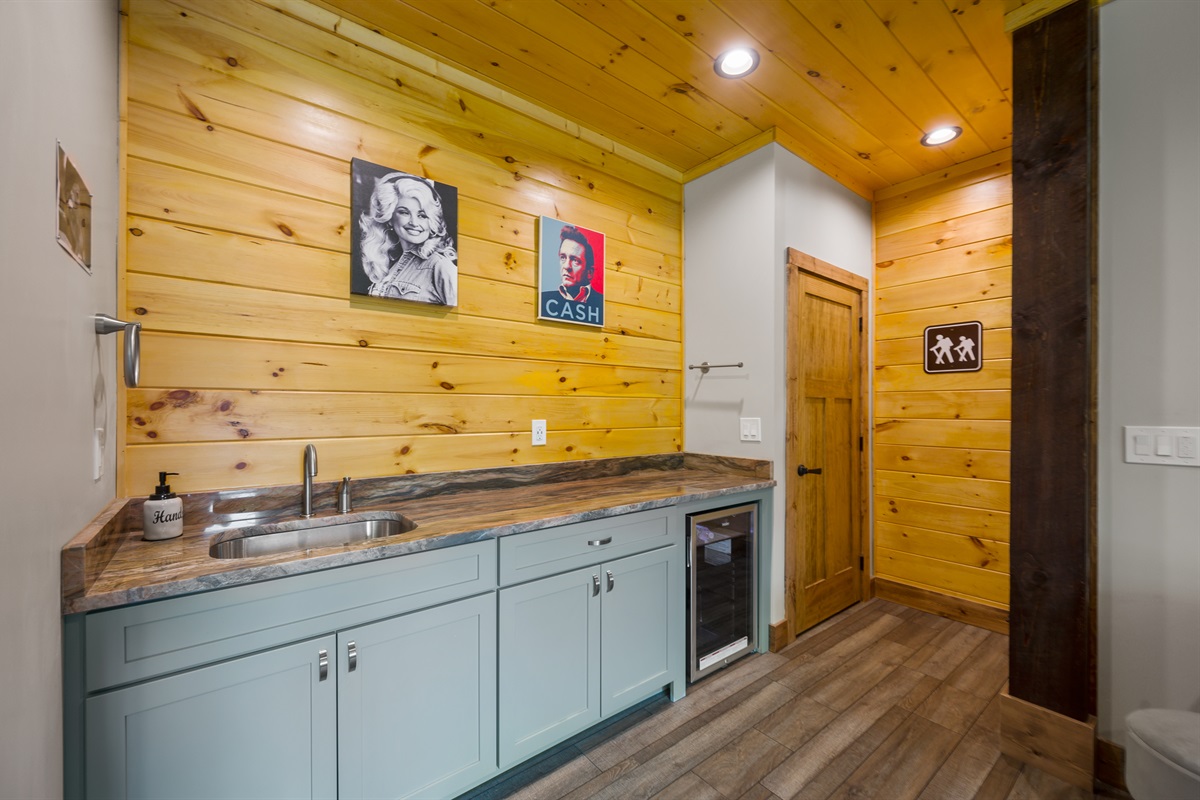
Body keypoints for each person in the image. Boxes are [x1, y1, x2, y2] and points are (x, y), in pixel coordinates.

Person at [358, 173, 457, 306]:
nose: (414, 222)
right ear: (390, 218)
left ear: (431, 221)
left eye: (422, 215)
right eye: (404, 212)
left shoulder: (440, 266)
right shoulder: (389, 263)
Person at [540, 225, 603, 326]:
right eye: (563, 257)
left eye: (575, 260)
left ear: (589, 273)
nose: (566, 266)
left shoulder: (601, 304)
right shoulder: (544, 300)